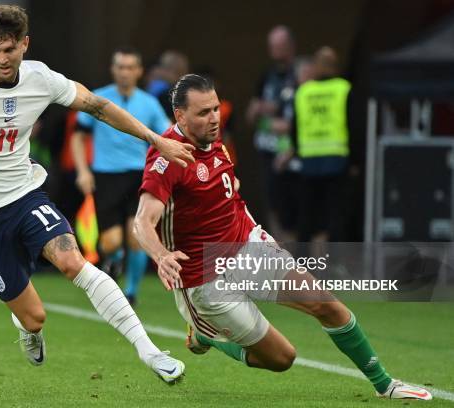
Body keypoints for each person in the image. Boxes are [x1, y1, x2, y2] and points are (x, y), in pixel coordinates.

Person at [0, 4, 194, 383]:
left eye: (10, 50)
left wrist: (156, 140)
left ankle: (150, 352)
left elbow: (99, 107)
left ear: (25, 44)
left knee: (73, 262)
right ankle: (28, 330)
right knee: (35, 317)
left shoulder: (42, 78)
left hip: (25, 195)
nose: (2, 59)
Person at [133, 74, 432, 400]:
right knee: (281, 359)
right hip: (205, 278)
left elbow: (231, 199)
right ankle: (210, 337)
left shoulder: (215, 140)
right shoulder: (167, 159)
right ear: (180, 116)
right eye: (204, 112)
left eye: (216, 108)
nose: (214, 118)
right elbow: (142, 221)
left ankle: (385, 385)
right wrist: (162, 256)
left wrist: (259, 233)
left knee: (327, 304)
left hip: (247, 247)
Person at [71, 47, 170, 304]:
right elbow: (78, 136)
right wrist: (83, 170)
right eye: (120, 67)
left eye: (130, 67)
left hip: (139, 176)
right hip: (106, 175)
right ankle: (113, 262)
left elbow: (166, 136)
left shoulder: (149, 103)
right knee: (112, 242)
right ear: (113, 70)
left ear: (138, 71)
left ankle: (131, 292)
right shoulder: (99, 98)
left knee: (137, 236)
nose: (125, 72)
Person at [292, 47, 352, 242]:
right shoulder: (343, 89)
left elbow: (295, 128)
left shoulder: (303, 92)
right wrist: (356, 160)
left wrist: (300, 151)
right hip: (336, 161)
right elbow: (354, 124)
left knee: (306, 217)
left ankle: (302, 264)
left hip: (309, 162)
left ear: (316, 66)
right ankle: (335, 265)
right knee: (335, 216)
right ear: (334, 67)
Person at [246, 25, 299, 242]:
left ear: (291, 46)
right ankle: (282, 258)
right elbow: (251, 115)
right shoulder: (266, 77)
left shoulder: (299, 75)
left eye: (280, 45)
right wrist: (259, 111)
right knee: (273, 206)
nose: (276, 51)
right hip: (268, 150)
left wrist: (275, 118)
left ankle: (301, 260)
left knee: (293, 209)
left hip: (293, 153)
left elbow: (294, 122)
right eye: (272, 46)